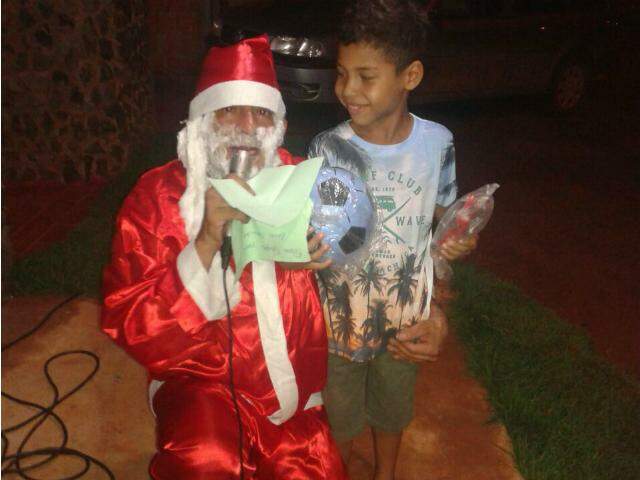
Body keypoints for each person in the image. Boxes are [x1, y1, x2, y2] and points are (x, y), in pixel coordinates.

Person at [101, 34, 346, 479]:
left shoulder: (298, 179)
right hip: (202, 387)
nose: (247, 126)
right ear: (201, 120)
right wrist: (207, 240)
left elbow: (355, 254)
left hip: (292, 397)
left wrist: (316, 259)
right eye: (229, 109)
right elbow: (134, 324)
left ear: (278, 124)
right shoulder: (157, 198)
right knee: (207, 462)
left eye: (260, 111)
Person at [307, 1, 477, 478]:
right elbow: (324, 231)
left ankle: (386, 473)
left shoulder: (437, 143)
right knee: (336, 419)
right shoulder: (327, 147)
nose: (347, 90)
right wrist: (305, 248)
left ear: (411, 75)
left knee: (392, 410)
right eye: (342, 74)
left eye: (365, 76)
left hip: (405, 319)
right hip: (340, 319)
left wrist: (460, 241)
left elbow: (444, 222)